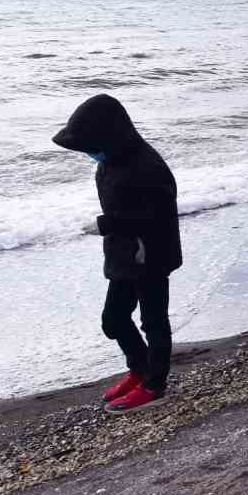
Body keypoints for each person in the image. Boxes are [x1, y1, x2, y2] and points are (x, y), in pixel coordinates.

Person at [52, 95, 182, 415]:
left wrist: (106, 224)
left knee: (154, 321)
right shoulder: (109, 161)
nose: (89, 154)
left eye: (91, 147)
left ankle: (154, 386)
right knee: (113, 320)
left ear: (109, 135)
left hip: (151, 255)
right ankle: (139, 369)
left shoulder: (148, 166)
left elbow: (157, 216)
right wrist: (112, 231)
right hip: (123, 253)